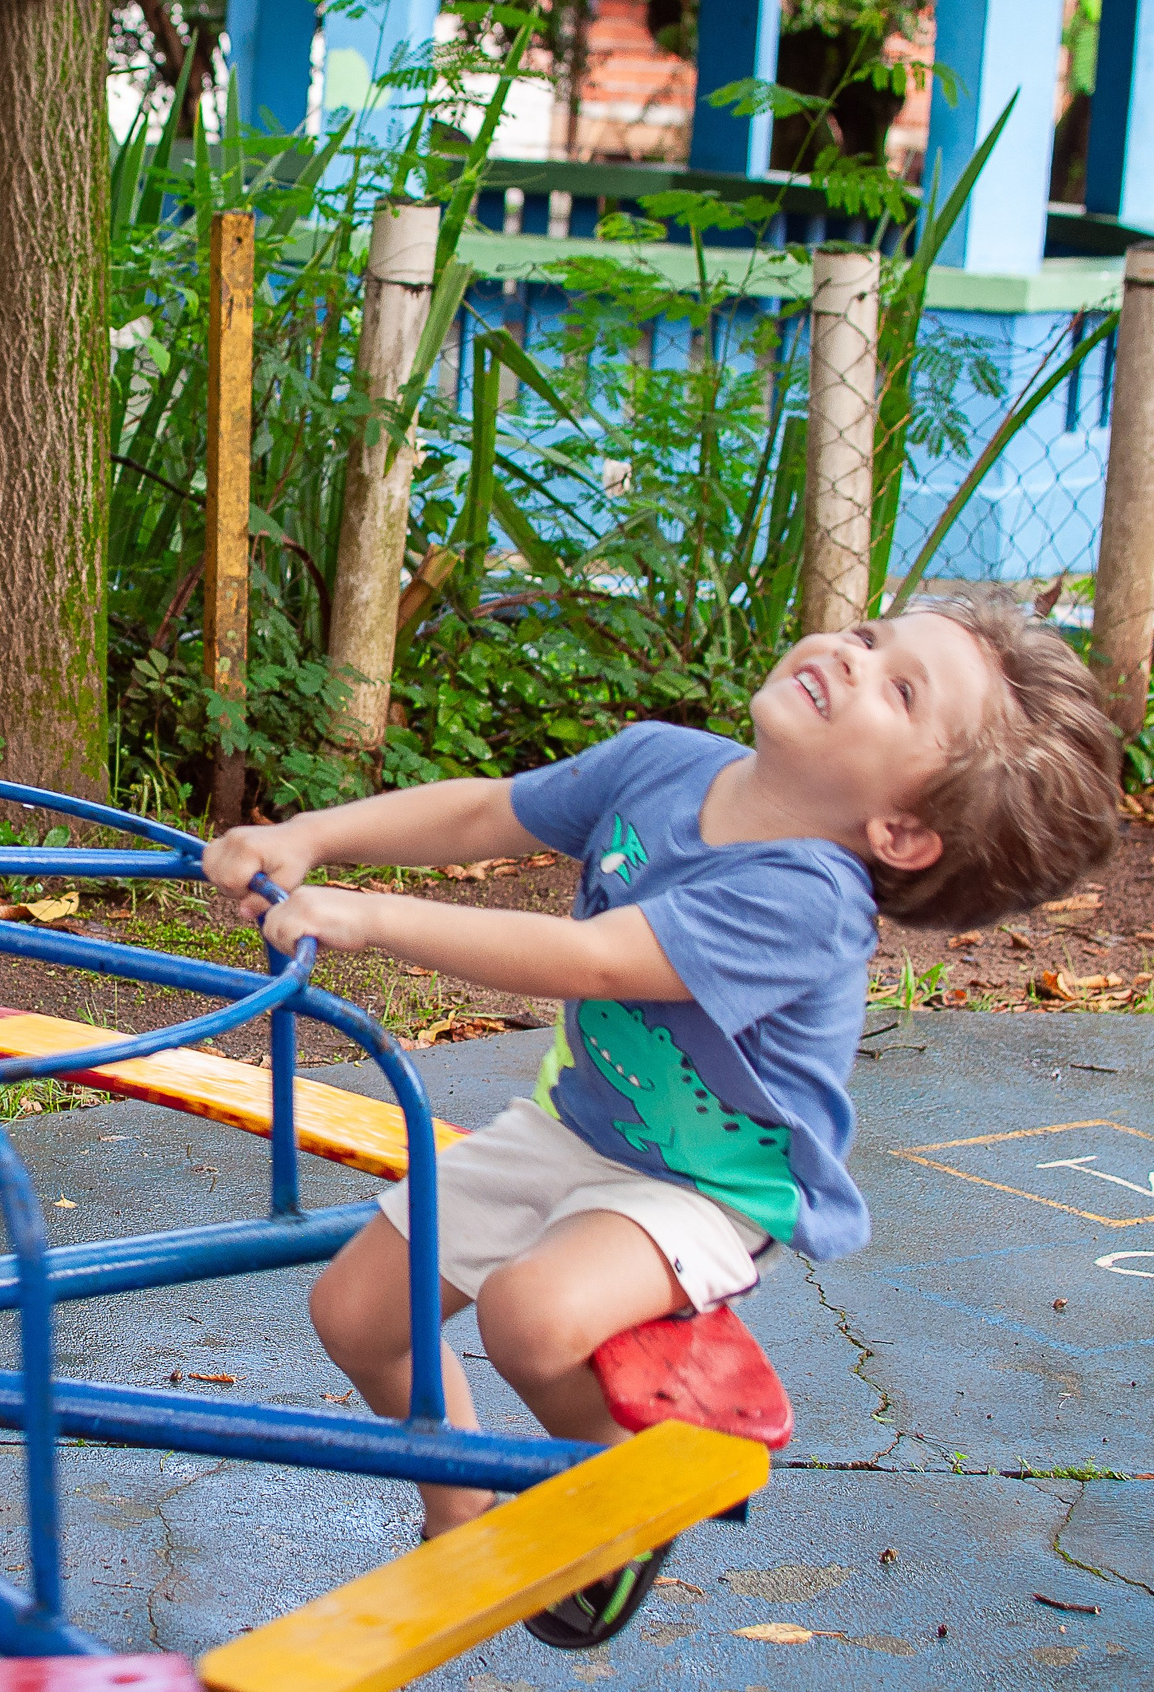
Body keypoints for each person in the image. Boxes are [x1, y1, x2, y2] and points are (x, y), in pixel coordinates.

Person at [203, 595, 1120, 1647]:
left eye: (900, 687)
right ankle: (459, 1512)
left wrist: (369, 917)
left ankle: (616, 1500)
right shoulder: (660, 761)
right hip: (578, 1120)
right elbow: (484, 812)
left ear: (901, 829)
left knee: (532, 1315)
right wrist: (310, 833)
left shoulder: (807, 896)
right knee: (357, 1313)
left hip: (710, 1185)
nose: (851, 656)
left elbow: (596, 961)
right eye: (868, 638)